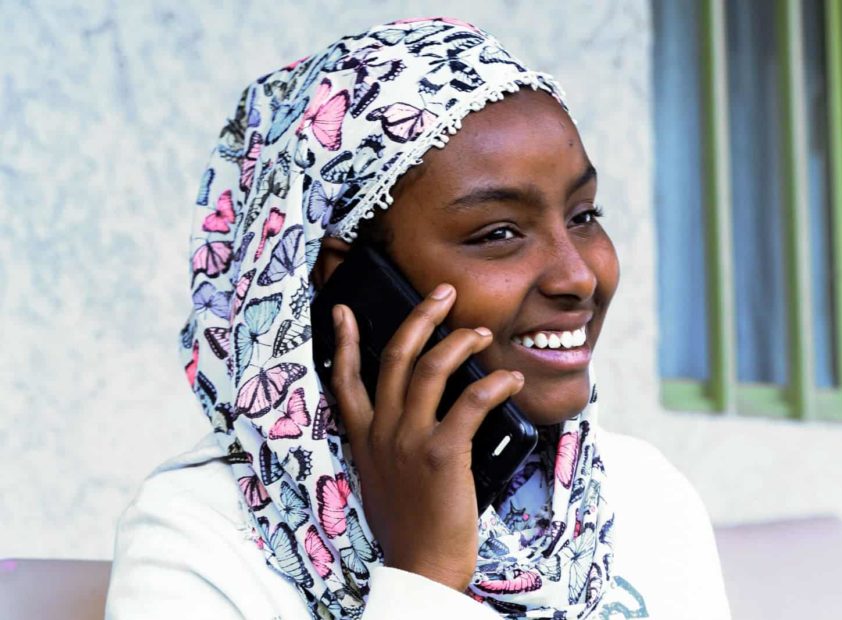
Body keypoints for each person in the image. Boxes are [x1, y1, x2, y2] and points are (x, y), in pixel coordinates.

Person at [106, 17, 731, 619]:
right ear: (338, 281)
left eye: (583, 216)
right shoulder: (200, 533)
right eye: (500, 232)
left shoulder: (640, 493)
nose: (579, 277)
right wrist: (425, 575)